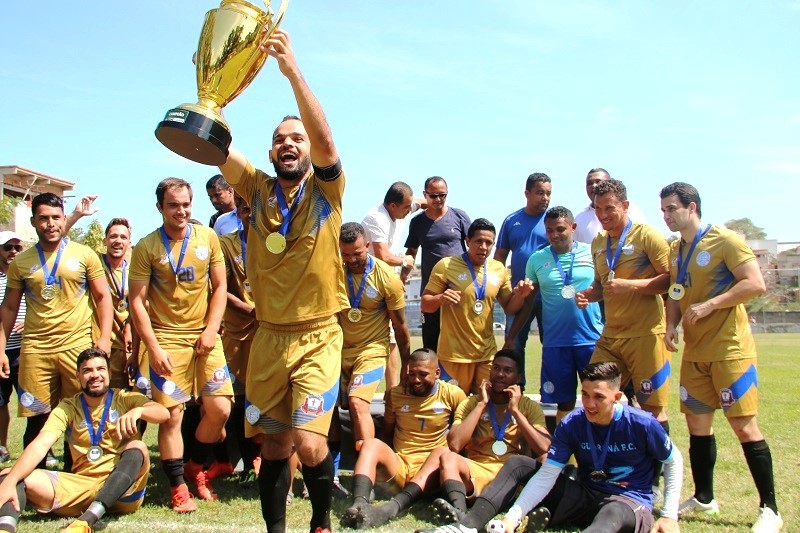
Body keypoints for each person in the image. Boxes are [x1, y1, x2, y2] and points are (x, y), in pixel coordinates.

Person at [217, 29, 346, 533]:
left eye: (296, 139)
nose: (288, 145)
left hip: (317, 335)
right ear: (270, 152)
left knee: (310, 443)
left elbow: (327, 142)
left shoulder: (327, 191)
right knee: (272, 443)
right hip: (268, 335)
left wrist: (292, 72)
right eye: (279, 139)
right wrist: (216, 94)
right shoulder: (255, 187)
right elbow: (219, 147)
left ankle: (319, 520)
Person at [422, 362, 682, 533]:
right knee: (519, 463)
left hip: (626, 501)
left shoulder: (641, 423)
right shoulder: (573, 423)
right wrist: (512, 516)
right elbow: (548, 473)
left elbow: (674, 461)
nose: (589, 404)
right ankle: (467, 527)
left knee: (611, 513)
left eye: (599, 397)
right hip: (586, 493)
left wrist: (669, 515)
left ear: (617, 397)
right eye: (585, 395)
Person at [660, 182, 781, 532]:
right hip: (695, 352)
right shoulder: (674, 248)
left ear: (692, 207)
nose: (666, 216)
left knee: (744, 426)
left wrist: (711, 304)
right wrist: (672, 324)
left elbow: (755, 283)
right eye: (663, 210)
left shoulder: (726, 240)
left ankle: (770, 509)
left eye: (671, 209)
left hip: (730, 351)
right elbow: (674, 291)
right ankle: (704, 498)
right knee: (698, 426)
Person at [128, 178, 233, 512]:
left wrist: (211, 329)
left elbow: (219, 288)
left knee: (220, 409)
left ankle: (194, 468)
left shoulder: (208, 237)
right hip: (166, 339)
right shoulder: (146, 247)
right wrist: (154, 348)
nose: (182, 210)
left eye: (186, 204)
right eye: (173, 205)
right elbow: (136, 303)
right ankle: (178, 488)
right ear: (160, 207)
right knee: (172, 415)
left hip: (205, 336)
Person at [0, 347, 169, 533]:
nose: (95, 375)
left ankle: (85, 522)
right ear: (78, 376)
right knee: (10, 475)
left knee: (138, 446)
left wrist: (140, 411)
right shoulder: (68, 407)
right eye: (87, 371)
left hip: (123, 492)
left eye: (100, 369)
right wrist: (10, 481)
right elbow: (41, 443)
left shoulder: (125, 399)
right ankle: (6, 528)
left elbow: (163, 413)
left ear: (109, 373)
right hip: (80, 486)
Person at [0, 193, 113, 468]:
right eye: (43, 218)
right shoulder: (21, 262)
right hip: (36, 351)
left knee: (80, 415)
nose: (50, 224)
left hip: (77, 347)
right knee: (38, 419)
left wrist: (104, 340)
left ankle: (74, 477)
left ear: (64, 220)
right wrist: (1, 348)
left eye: (55, 218)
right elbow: (9, 308)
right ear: (34, 222)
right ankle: (32, 482)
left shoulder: (84, 254)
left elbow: (103, 299)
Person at [575, 179, 671, 430]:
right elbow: (602, 286)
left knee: (652, 407)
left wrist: (632, 286)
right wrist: (589, 294)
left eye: (609, 208)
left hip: (645, 335)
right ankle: (605, 461)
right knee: (595, 393)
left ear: (625, 205)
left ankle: (658, 467)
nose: (603, 214)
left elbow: (670, 280)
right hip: (612, 335)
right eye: (598, 208)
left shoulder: (647, 236)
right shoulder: (598, 242)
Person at [341, 348, 466, 529]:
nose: (416, 380)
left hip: (432, 472)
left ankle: (393, 508)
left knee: (442, 451)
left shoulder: (453, 394)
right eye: (411, 373)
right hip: (402, 466)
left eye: (423, 374)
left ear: (437, 373)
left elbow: (459, 438)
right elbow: (387, 432)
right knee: (371, 444)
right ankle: (359, 504)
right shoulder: (396, 394)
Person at [428, 349, 550, 523]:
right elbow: (455, 444)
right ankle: (459, 510)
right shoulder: (471, 403)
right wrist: (481, 405)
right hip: (479, 469)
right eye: (496, 368)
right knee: (448, 458)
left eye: (507, 371)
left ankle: (528, 508)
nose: (500, 374)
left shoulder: (528, 407)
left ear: (518, 378)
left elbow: (544, 447)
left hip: (513, 474)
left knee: (547, 460)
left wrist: (515, 411)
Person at [506, 207, 602, 424]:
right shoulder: (537, 259)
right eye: (550, 230)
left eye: (560, 229)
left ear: (573, 228)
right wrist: (512, 336)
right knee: (564, 403)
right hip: (555, 343)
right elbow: (529, 302)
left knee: (597, 398)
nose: (555, 235)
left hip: (591, 341)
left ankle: (597, 451)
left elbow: (604, 290)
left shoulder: (593, 253)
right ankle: (565, 452)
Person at [421, 218, 531, 395]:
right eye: (479, 241)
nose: (483, 247)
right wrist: (441, 298)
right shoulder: (446, 265)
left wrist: (521, 295)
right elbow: (425, 304)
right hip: (453, 356)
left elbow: (510, 308)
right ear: (467, 241)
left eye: (489, 243)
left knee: (488, 406)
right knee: (452, 408)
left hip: (486, 356)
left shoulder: (499, 269)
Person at [337, 221, 411, 448]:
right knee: (329, 407)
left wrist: (406, 365)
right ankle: (331, 470)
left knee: (358, 402)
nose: (351, 259)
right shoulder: (334, 271)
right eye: (345, 254)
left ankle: (367, 468)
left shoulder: (387, 278)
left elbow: (400, 327)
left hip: (371, 351)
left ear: (368, 246)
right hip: (337, 351)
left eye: (357, 253)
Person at [361, 181, 423, 395]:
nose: (409, 211)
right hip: (370, 287)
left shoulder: (400, 207)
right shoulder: (376, 218)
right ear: (393, 205)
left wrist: (433, 201)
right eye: (406, 208)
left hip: (388, 285)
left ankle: (394, 390)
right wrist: (406, 260)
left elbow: (420, 203)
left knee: (393, 340)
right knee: (384, 341)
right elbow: (383, 256)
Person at [218, 194, 260, 486]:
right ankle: (245, 461)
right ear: (239, 212)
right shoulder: (225, 244)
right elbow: (217, 287)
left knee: (264, 397)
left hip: (269, 329)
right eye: (246, 210)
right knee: (239, 397)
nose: (251, 215)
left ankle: (263, 458)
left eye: (256, 210)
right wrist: (248, 309)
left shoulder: (275, 242)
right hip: (236, 329)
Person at [403, 177, 471, 351]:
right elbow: (411, 252)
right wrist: (403, 277)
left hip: (459, 289)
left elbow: (475, 243)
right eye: (433, 196)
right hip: (432, 293)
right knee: (431, 343)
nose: (438, 199)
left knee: (461, 342)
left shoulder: (459, 216)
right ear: (425, 195)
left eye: (443, 195)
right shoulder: (417, 222)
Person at [494, 172, 552, 365]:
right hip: (520, 294)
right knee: (514, 344)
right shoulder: (512, 221)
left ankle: (551, 390)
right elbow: (500, 257)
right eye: (539, 192)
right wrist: (503, 290)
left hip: (549, 295)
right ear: (527, 193)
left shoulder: (554, 222)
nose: (545, 198)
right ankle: (516, 389)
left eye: (548, 193)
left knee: (551, 344)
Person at [0, 232, 26, 465]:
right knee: (0, 402)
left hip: (25, 350)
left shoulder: (28, 276)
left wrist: (29, 323)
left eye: (18, 247)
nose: (13, 252)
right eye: (8, 247)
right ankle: (2, 447)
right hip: (1, 351)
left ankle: (42, 451)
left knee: (34, 403)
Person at [573, 168, 648, 245]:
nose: (594, 185)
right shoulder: (579, 219)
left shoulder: (633, 211)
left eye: (598, 181)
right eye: (589, 183)